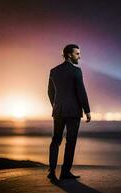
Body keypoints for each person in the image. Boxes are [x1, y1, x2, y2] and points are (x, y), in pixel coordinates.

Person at [47, 44, 91, 182]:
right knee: (70, 142)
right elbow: (81, 92)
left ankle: (52, 170)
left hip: (58, 111)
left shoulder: (54, 71)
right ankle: (65, 172)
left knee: (56, 140)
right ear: (69, 55)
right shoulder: (76, 71)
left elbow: (50, 92)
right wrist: (87, 110)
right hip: (73, 112)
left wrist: (56, 105)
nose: (79, 56)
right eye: (77, 53)